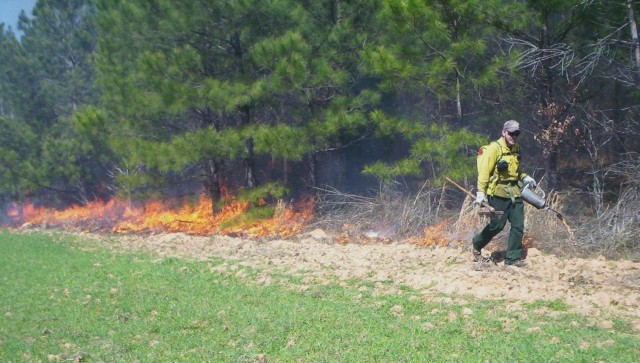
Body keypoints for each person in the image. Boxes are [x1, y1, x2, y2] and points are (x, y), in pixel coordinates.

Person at [472, 120, 537, 267]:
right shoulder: (494, 149)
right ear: (503, 132)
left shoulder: (517, 148)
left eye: (516, 133)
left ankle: (512, 259)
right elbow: (484, 172)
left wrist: (525, 177)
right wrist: (480, 193)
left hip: (515, 192)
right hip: (498, 194)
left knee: (518, 226)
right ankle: (477, 243)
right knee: (497, 226)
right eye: (510, 133)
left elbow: (516, 170)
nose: (513, 136)